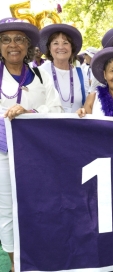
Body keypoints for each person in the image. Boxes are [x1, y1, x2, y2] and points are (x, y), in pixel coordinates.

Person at [0, 17, 63, 272]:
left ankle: (41, 257)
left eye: (19, 39)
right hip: (2, 154)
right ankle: (17, 265)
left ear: (27, 46)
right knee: (7, 210)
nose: (12, 45)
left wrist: (29, 112)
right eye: (5, 40)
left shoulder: (40, 75)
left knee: (40, 204)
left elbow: (57, 108)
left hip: (37, 154)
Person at [38, 23, 88, 113]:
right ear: (49, 47)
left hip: (75, 126)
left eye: (65, 43)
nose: (61, 47)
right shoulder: (40, 73)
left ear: (71, 47)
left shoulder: (81, 74)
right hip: (49, 126)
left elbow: (87, 106)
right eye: (55, 43)